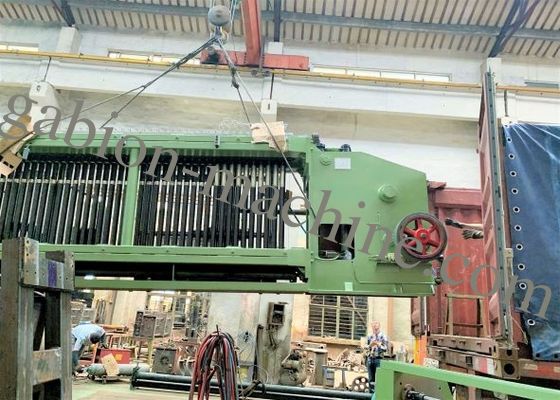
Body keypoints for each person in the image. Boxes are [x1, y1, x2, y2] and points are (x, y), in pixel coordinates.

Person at [365, 321, 388, 392]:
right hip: (370, 359)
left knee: (379, 378)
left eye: (376, 327)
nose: (375, 328)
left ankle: (378, 394)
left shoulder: (383, 336)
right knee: (371, 379)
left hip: (378, 359)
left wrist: (378, 345)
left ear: (379, 327)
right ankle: (371, 394)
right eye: (373, 327)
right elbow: (365, 347)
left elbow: (386, 348)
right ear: (372, 327)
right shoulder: (370, 336)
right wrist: (370, 345)